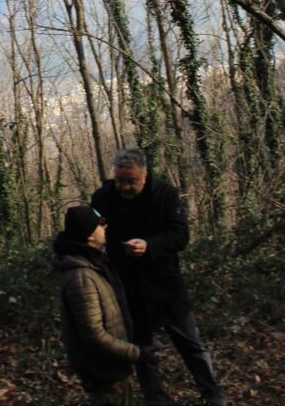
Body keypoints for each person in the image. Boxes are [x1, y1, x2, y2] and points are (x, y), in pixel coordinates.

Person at [91, 149, 225, 406]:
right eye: (120, 181)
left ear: (145, 176)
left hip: (165, 284)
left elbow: (180, 236)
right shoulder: (102, 197)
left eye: (131, 181)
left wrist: (150, 246)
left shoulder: (166, 194)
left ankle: (212, 391)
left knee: (189, 341)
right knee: (141, 346)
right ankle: (156, 398)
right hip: (127, 284)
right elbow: (95, 234)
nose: (124, 187)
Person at [54, 205, 147, 406]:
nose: (105, 227)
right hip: (103, 372)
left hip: (113, 369)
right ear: (89, 236)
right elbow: (93, 334)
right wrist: (136, 353)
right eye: (100, 224)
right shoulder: (82, 277)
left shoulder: (94, 265)